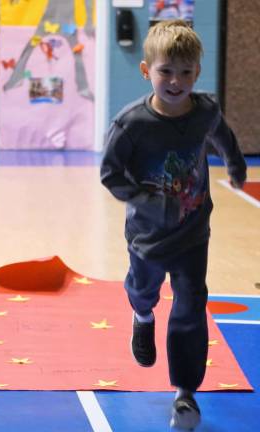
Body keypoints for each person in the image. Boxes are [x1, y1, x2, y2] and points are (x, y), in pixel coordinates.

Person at [100, 19, 246, 431]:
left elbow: (222, 134)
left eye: (185, 72)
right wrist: (148, 203)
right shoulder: (132, 124)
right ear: (147, 71)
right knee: (143, 291)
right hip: (147, 236)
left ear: (197, 73)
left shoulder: (204, 111)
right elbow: (110, 174)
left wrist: (234, 165)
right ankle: (142, 317)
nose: (176, 81)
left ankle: (185, 394)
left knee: (190, 305)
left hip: (193, 231)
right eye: (166, 71)